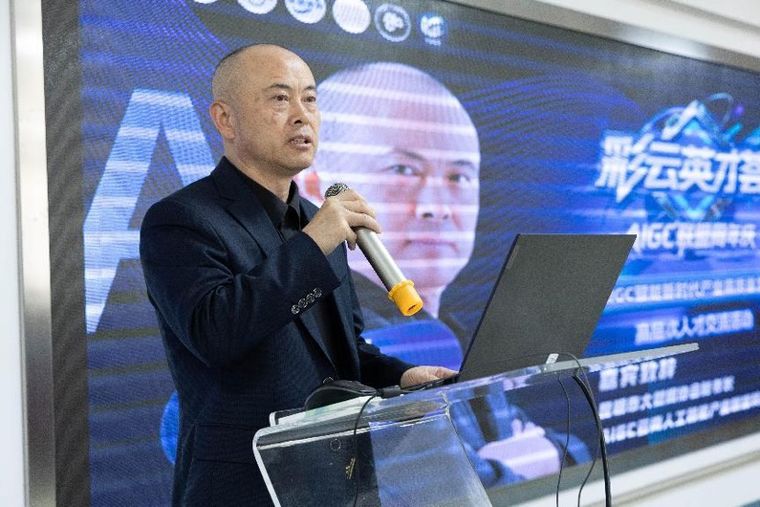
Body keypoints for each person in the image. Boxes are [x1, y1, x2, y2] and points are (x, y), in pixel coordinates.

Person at [139, 44, 456, 506]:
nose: (302, 115)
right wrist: (314, 243)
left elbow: (344, 353)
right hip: (242, 489)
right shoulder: (181, 220)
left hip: (341, 484)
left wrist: (404, 376)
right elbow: (216, 333)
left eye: (310, 99)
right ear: (225, 119)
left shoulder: (319, 222)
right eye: (280, 98)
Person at [307, 63, 590, 486]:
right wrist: (520, 462)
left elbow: (571, 449)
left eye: (458, 176)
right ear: (317, 190)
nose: (437, 206)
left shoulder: (450, 332)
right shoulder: (335, 336)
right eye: (403, 170)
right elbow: (426, 483)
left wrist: (534, 456)